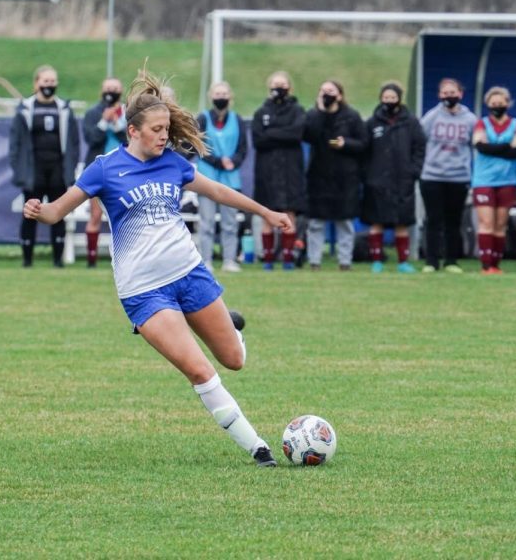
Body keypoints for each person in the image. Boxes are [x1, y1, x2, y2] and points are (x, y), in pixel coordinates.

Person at [23, 69, 292, 467]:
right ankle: (258, 448)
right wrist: (40, 211)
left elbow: (219, 191)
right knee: (199, 370)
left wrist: (266, 212)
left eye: (167, 128)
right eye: (156, 129)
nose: (164, 136)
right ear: (132, 130)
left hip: (191, 274)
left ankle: (230, 327)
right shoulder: (105, 168)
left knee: (234, 360)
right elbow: (58, 211)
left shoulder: (174, 164)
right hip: (145, 292)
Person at [9, 65, 80, 267]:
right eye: (45, 81)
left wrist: (70, 168)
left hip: (58, 170)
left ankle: (58, 260)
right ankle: (27, 260)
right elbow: (15, 143)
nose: (49, 85)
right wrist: (19, 169)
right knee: (31, 213)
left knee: (58, 213)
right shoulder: (25, 108)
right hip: (33, 171)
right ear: (36, 83)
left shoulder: (64, 109)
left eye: (52, 81)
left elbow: (74, 143)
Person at [362, 82, 427, 273]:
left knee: (402, 222)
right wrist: (368, 174)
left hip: (403, 181)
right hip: (377, 182)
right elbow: (363, 150)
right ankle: (376, 261)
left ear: (399, 98)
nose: (389, 101)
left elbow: (420, 148)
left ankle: (403, 262)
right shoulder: (372, 123)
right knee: (377, 222)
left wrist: (414, 170)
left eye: (393, 97)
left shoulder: (411, 122)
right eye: (385, 97)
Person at [302, 80, 366, 271]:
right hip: (319, 176)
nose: (326, 94)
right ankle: (315, 261)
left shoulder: (351, 116)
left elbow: (363, 143)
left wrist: (345, 144)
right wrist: (321, 112)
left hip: (345, 177)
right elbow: (309, 136)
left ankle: (345, 261)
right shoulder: (313, 115)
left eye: (330, 91)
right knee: (316, 222)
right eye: (323, 91)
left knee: (345, 222)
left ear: (340, 95)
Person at [419, 78, 477, 273]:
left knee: (454, 222)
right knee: (433, 220)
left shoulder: (470, 119)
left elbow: (475, 144)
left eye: (452, 93)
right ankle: (431, 261)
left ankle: (451, 260)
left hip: (458, 177)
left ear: (460, 94)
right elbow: (419, 140)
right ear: (439, 95)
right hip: (432, 176)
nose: (448, 96)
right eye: (445, 93)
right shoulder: (431, 117)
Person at [251, 71, 306, 270]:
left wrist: (272, 133)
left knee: (289, 214)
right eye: (275, 84)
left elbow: (296, 134)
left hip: (291, 170)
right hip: (267, 171)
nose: (278, 88)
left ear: (289, 87)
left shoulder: (298, 110)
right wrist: (283, 133)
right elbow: (259, 140)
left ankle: (288, 259)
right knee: (267, 213)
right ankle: (267, 259)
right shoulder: (261, 112)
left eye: (282, 84)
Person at [471, 86, 516, 274]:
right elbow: (481, 147)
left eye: (501, 103)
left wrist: (493, 146)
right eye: (493, 103)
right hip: (484, 180)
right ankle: (485, 264)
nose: (497, 106)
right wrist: (504, 147)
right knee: (486, 222)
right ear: (487, 104)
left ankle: (496, 264)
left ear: (508, 104)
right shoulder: (481, 124)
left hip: (507, 179)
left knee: (501, 224)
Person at [196, 81, 248, 273]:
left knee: (230, 223)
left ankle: (229, 260)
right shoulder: (203, 118)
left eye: (224, 93)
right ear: (211, 96)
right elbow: (198, 146)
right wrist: (218, 161)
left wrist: (233, 161)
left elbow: (243, 148)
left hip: (230, 178)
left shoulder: (238, 120)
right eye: (217, 93)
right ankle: (206, 260)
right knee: (207, 222)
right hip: (207, 177)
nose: (221, 97)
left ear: (230, 97)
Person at [82, 77, 126, 268]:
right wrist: (103, 121)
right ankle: (91, 258)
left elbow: (130, 141)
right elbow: (91, 138)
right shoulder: (92, 113)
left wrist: (116, 123)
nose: (111, 92)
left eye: (115, 88)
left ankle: (124, 258)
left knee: (125, 217)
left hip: (124, 170)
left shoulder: (127, 113)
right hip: (100, 171)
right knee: (95, 215)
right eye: (108, 88)